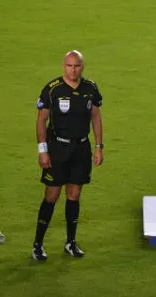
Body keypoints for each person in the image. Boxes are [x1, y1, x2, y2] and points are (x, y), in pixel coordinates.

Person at [32, 50, 104, 260]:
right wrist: (42, 150)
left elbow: (96, 117)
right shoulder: (52, 89)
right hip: (58, 150)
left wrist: (99, 146)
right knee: (51, 197)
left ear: (83, 66)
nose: (73, 70)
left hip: (81, 148)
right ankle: (38, 244)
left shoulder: (90, 88)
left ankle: (70, 242)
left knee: (74, 196)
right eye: (69, 66)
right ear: (64, 66)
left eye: (77, 66)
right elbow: (41, 120)